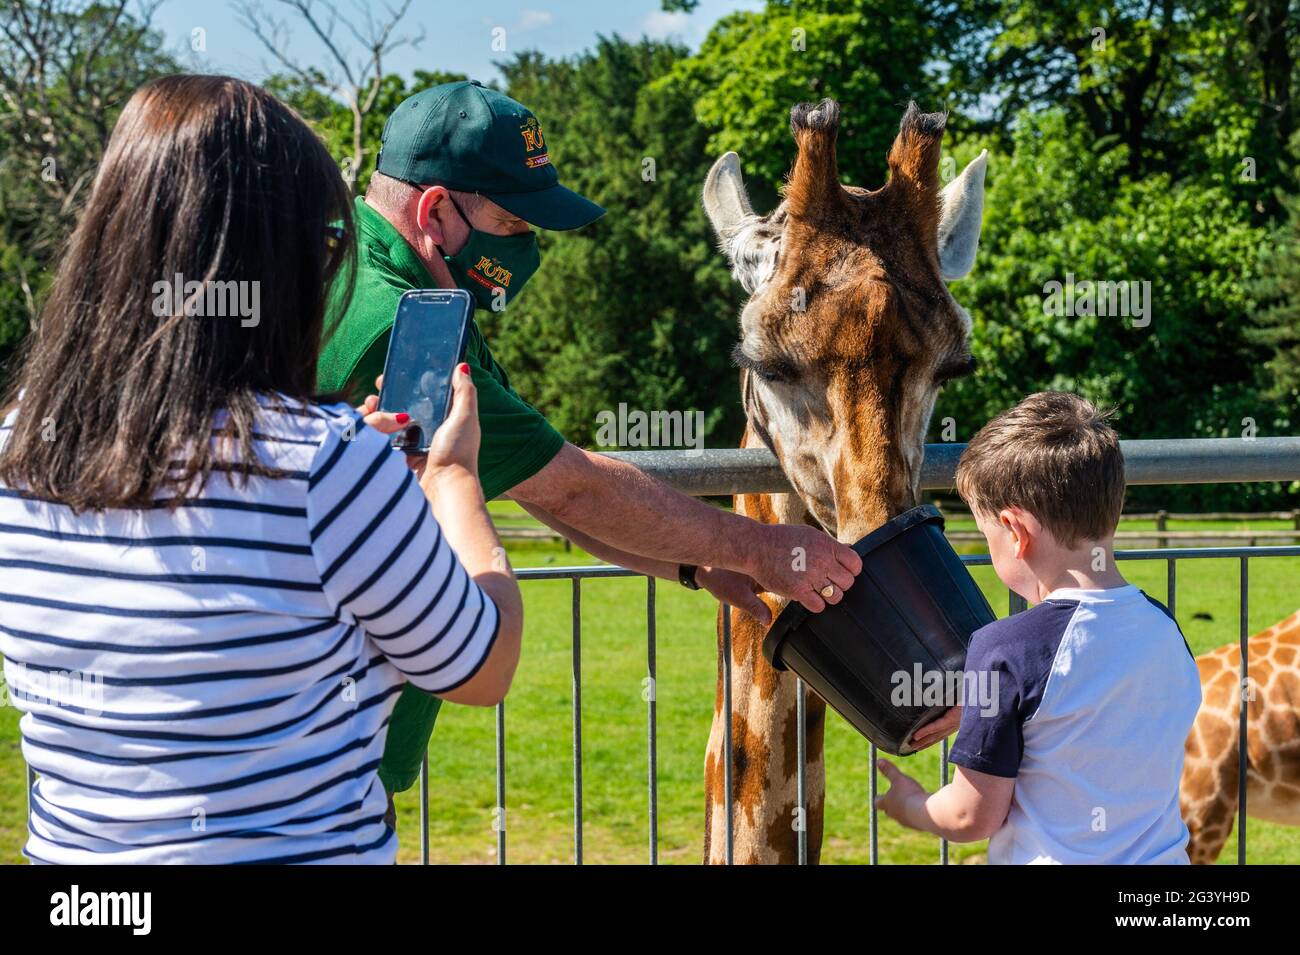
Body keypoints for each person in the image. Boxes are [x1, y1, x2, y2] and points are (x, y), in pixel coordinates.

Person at [0, 74, 521, 863]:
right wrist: (450, 481)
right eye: (324, 246)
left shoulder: (18, 446)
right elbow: (483, 663)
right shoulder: (328, 466)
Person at [320, 80, 863, 803]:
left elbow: (537, 483)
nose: (527, 248)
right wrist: (766, 549)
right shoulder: (401, 325)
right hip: (327, 754)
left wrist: (695, 566)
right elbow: (571, 483)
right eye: (515, 222)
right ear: (437, 210)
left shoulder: (386, 279)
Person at [874, 392, 1202, 864]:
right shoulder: (1164, 629)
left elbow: (971, 816)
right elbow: (1087, 720)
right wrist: (992, 709)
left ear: (1015, 532)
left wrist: (911, 805)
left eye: (989, 536)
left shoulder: (1003, 650)